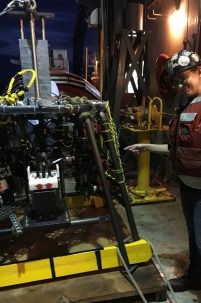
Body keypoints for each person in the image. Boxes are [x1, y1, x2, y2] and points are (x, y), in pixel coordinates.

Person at [125, 49, 201, 292]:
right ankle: (195, 277)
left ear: (199, 72)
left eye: (184, 78)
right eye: (177, 81)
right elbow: (176, 149)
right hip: (188, 188)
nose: (181, 86)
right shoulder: (189, 106)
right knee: (194, 237)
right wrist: (145, 145)